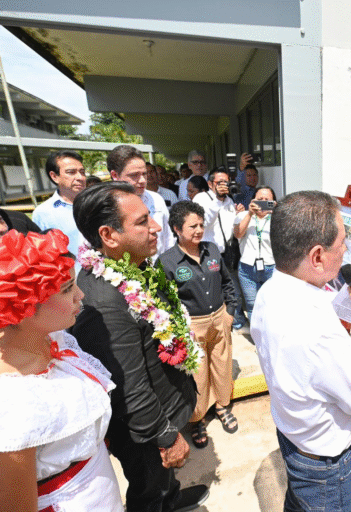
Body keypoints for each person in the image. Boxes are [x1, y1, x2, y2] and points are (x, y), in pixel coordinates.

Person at [0, 229, 123, 512]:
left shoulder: (46, 335)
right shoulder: (1, 403)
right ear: (22, 302)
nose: (81, 295)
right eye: (67, 289)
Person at [251, 191, 351, 512]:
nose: (346, 250)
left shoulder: (271, 291)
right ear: (317, 256)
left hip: (294, 440)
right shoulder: (315, 330)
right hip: (324, 468)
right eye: (342, 243)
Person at [71, 182, 208, 512]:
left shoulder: (136, 266)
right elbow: (127, 387)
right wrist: (165, 435)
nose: (157, 227)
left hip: (167, 403)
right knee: (150, 491)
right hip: (144, 430)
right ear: (109, 235)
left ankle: (173, 499)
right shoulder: (103, 302)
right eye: (143, 221)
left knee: (165, 483)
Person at [159, 201, 239, 450]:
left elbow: (227, 282)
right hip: (192, 326)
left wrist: (231, 313)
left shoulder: (212, 250)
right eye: (192, 226)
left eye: (201, 225)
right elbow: (164, 301)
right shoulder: (167, 262)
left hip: (219, 318)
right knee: (197, 375)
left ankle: (223, 406)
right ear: (176, 228)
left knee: (222, 366)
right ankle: (197, 420)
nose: (198, 230)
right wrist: (180, 329)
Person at [193, 168, 246, 329]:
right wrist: (216, 200)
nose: (224, 185)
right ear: (210, 184)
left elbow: (231, 227)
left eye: (226, 182)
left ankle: (236, 322)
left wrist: (238, 214)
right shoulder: (201, 198)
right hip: (208, 254)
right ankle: (215, 324)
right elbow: (204, 222)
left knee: (233, 291)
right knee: (213, 292)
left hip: (228, 252)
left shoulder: (228, 200)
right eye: (220, 182)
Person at [108, 145, 174, 255]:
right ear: (115, 175)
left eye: (144, 174)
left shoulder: (156, 199)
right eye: (134, 175)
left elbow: (168, 238)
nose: (142, 180)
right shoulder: (104, 204)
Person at [233, 186, 277, 322]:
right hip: (247, 269)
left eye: (267, 200)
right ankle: (257, 339)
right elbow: (238, 234)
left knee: (272, 305)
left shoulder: (277, 218)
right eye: (260, 199)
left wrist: (277, 212)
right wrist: (249, 214)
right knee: (252, 305)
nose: (263, 202)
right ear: (253, 200)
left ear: (273, 201)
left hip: (271, 267)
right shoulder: (242, 215)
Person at [32, 150, 87, 255]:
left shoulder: (97, 204)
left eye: (82, 172)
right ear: (54, 176)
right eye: (71, 172)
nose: (80, 178)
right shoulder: (42, 213)